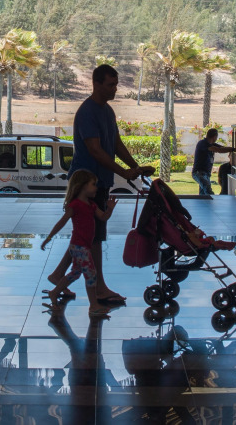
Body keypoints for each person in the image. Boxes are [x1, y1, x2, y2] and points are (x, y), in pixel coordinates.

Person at [46, 64, 153, 305]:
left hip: (99, 181)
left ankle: (58, 274)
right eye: (110, 85)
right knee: (93, 236)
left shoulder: (107, 111)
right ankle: (100, 288)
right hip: (86, 183)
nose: (115, 89)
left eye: (116, 84)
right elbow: (95, 150)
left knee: (86, 233)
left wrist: (135, 167)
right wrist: (124, 173)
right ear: (96, 84)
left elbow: (115, 144)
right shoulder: (87, 112)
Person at [41, 170, 118, 317]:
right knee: (91, 273)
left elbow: (103, 217)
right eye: (93, 184)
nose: (96, 188)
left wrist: (110, 209)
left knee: (75, 273)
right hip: (79, 246)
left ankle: (54, 292)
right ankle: (94, 305)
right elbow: (61, 222)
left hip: (83, 246)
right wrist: (49, 237)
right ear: (82, 186)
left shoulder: (91, 205)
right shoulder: (75, 205)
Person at [191, 128, 236, 196]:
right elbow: (218, 149)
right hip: (199, 173)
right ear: (215, 136)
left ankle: (205, 202)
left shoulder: (211, 144)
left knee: (203, 194)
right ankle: (214, 201)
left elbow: (222, 148)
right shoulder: (203, 143)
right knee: (208, 190)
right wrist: (234, 149)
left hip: (206, 174)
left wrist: (232, 149)